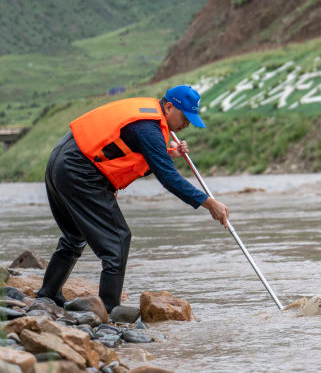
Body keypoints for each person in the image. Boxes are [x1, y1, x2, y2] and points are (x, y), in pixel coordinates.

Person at [36, 85, 229, 317]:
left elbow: (123, 150)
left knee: (75, 236)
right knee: (117, 239)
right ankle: (108, 310)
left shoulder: (148, 119)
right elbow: (169, 178)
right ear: (169, 107)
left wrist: (166, 153)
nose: (187, 124)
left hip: (62, 161)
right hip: (78, 169)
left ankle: (47, 294)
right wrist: (210, 203)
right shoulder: (149, 128)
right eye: (185, 117)